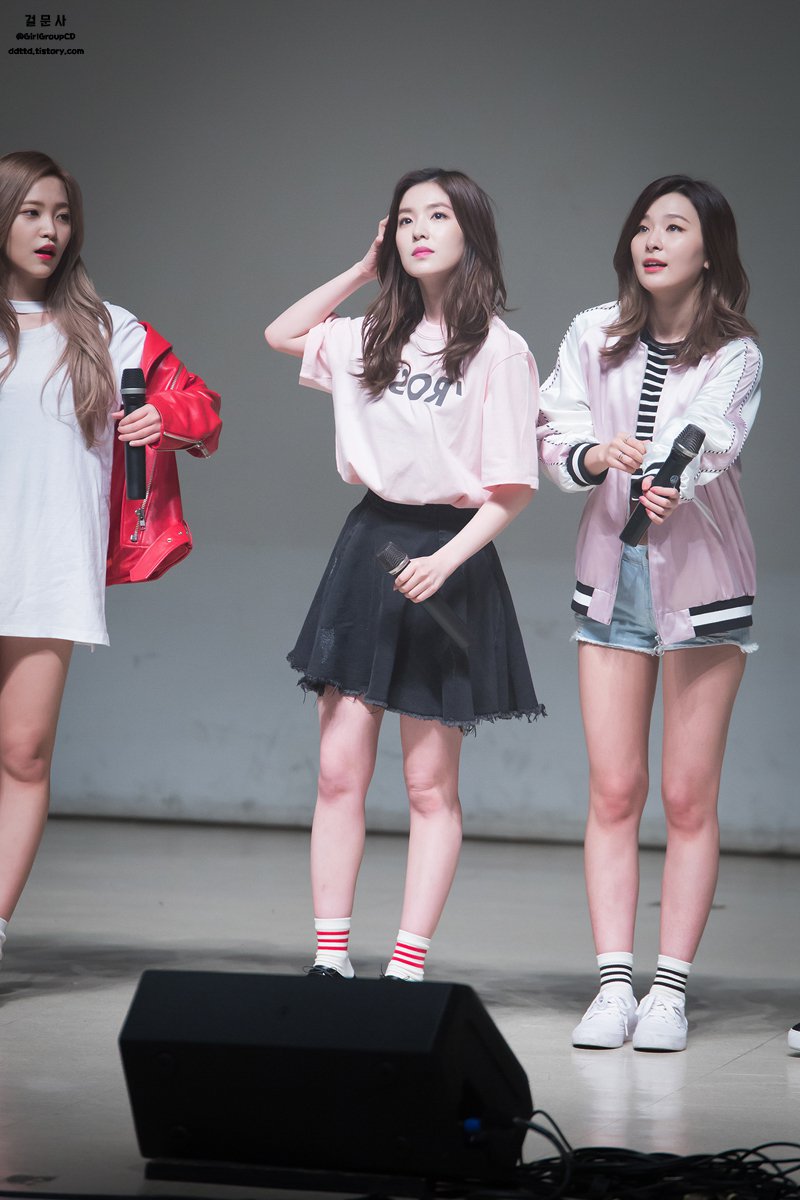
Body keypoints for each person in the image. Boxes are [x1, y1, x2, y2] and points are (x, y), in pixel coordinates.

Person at [265, 167, 544, 981]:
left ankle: (407, 967)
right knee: (338, 770)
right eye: (406, 218)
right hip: (369, 547)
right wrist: (363, 269)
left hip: (451, 555)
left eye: (438, 216)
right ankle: (331, 959)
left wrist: (446, 561)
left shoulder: (501, 349)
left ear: (471, 233)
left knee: (429, 784)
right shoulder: (368, 336)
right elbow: (282, 333)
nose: (419, 229)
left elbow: (514, 488)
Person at [538, 175, 761, 1051]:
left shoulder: (735, 352)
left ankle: (669, 992)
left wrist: (673, 476)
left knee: (686, 795)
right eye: (643, 226)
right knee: (614, 788)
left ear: (710, 250)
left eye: (675, 227)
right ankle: (613, 987)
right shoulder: (592, 332)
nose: (653, 240)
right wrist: (595, 455)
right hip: (611, 576)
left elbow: (712, 436)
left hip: (703, 581)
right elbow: (555, 428)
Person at [0, 150, 221, 967]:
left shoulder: (108, 328)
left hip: (46, 568)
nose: (50, 230)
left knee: (23, 754)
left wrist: (164, 416)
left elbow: (202, 409)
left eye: (62, 215)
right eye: (32, 212)